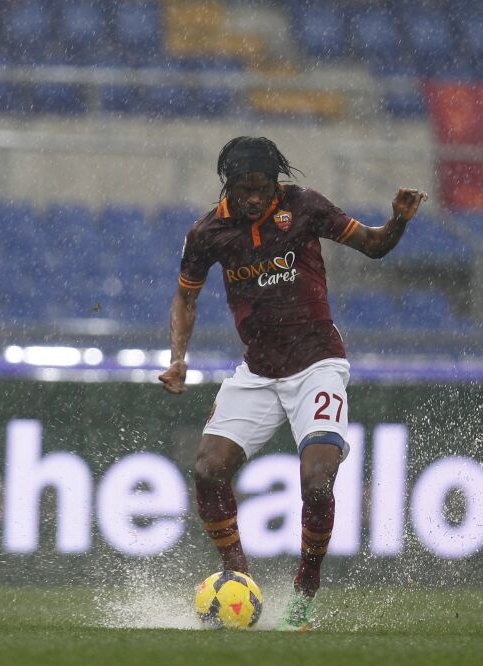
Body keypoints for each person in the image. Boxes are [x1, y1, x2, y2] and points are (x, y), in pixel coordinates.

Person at [158, 136, 427, 631]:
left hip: (317, 363)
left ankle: (304, 593)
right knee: (208, 469)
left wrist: (398, 222)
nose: (253, 197)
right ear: (229, 186)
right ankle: (238, 575)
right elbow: (185, 298)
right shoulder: (207, 232)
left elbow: (372, 246)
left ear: (275, 182)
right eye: (243, 188)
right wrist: (178, 359)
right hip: (258, 371)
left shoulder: (303, 206)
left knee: (317, 479)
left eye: (261, 187)